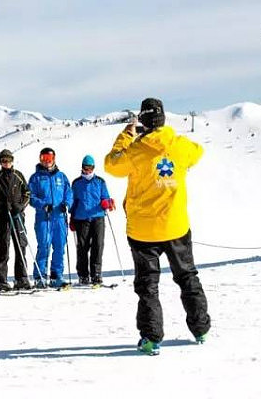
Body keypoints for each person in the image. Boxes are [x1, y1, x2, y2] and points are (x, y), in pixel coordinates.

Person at [104, 97, 211, 356]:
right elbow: (198, 151)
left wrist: (125, 136)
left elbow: (111, 164)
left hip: (143, 231)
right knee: (187, 277)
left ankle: (151, 339)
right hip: (176, 226)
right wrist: (172, 142)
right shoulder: (180, 145)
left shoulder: (136, 150)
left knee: (147, 285)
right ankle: (200, 329)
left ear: (143, 121)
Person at [28, 148, 73, 288]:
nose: (47, 161)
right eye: (44, 158)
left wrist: (67, 204)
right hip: (44, 217)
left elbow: (69, 193)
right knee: (44, 246)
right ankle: (40, 276)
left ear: (54, 158)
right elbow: (31, 197)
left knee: (59, 246)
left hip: (59, 216)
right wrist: (42, 205)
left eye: (49, 158)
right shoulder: (35, 178)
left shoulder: (61, 176)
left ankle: (56, 275)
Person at [69, 155, 115, 286]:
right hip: (81, 218)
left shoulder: (100, 181)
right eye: (85, 168)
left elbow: (105, 197)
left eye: (90, 168)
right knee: (83, 247)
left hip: (97, 217)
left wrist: (107, 202)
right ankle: (83, 275)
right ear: (82, 168)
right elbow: (73, 202)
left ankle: (96, 274)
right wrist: (71, 218)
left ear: (94, 168)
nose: (87, 170)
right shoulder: (76, 183)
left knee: (98, 245)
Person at [0, 149, 31, 291]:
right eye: (3, 161)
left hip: (17, 215)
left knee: (20, 246)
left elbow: (27, 193)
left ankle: (22, 278)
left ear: (12, 161)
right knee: (3, 247)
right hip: (3, 217)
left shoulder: (18, 175)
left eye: (8, 160)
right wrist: (1, 206)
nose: (6, 163)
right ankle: (0, 280)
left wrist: (20, 206)